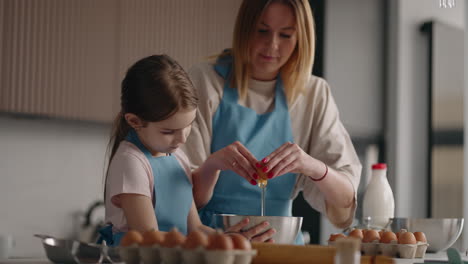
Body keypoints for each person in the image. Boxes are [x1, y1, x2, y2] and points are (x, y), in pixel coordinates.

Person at [182, 0, 362, 244]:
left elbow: (343, 205)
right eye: (262, 31)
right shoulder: (204, 80)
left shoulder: (314, 94)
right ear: (244, 29)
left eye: (286, 35)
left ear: (302, 38)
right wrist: (212, 165)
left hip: (284, 244)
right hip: (214, 242)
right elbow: (180, 193)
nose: (272, 45)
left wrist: (312, 167)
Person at [98, 55, 275, 246]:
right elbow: (150, 239)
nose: (182, 139)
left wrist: (230, 240)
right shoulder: (130, 162)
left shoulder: (176, 156)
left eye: (188, 125)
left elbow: (195, 228)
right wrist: (217, 243)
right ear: (134, 121)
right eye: (168, 131)